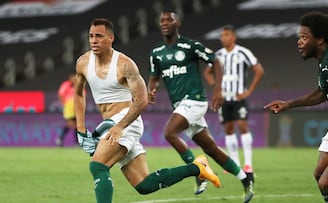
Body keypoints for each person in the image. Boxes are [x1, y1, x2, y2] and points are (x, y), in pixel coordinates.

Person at [74, 18, 221, 203]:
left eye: (99, 36)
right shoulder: (83, 62)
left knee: (98, 166)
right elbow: (79, 93)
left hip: (127, 121)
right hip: (111, 123)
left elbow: (142, 101)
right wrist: (80, 129)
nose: (94, 40)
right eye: (91, 36)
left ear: (111, 38)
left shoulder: (125, 65)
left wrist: (120, 126)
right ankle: (198, 168)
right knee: (144, 185)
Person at [147, 11, 254, 202]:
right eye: (162, 20)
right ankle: (245, 179)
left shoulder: (190, 46)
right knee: (210, 147)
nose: (164, 23)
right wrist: (151, 90)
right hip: (181, 105)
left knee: (170, 132)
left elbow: (216, 62)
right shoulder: (156, 53)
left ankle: (198, 171)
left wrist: (218, 90)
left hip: (195, 100)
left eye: (169, 19)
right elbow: (154, 78)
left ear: (177, 22)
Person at [264, 11, 328, 203]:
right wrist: (288, 104)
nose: (299, 42)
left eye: (304, 37)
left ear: (319, 39)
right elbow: (322, 93)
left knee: (326, 185)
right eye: (299, 37)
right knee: (319, 174)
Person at [203, 25, 264, 179]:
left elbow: (259, 70)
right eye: (222, 35)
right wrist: (216, 87)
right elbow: (207, 72)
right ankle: (235, 163)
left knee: (243, 126)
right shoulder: (218, 55)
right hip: (224, 99)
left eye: (227, 35)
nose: (224, 38)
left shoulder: (243, 52)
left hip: (238, 98)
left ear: (234, 37)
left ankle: (248, 163)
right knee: (228, 129)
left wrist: (248, 91)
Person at [56, 73, 77, 147]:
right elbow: (60, 94)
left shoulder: (79, 85)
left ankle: (61, 139)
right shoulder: (66, 84)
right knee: (71, 124)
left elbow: (83, 95)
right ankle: (60, 139)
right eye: (73, 77)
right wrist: (64, 104)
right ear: (70, 78)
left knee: (76, 124)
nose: (74, 79)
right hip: (68, 106)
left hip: (77, 107)